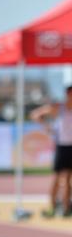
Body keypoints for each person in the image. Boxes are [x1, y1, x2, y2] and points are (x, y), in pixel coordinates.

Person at [30, 85, 72, 218]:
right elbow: (36, 114)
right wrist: (47, 127)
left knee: (67, 179)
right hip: (62, 146)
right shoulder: (59, 108)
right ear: (67, 94)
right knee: (60, 178)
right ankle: (55, 207)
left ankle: (66, 207)